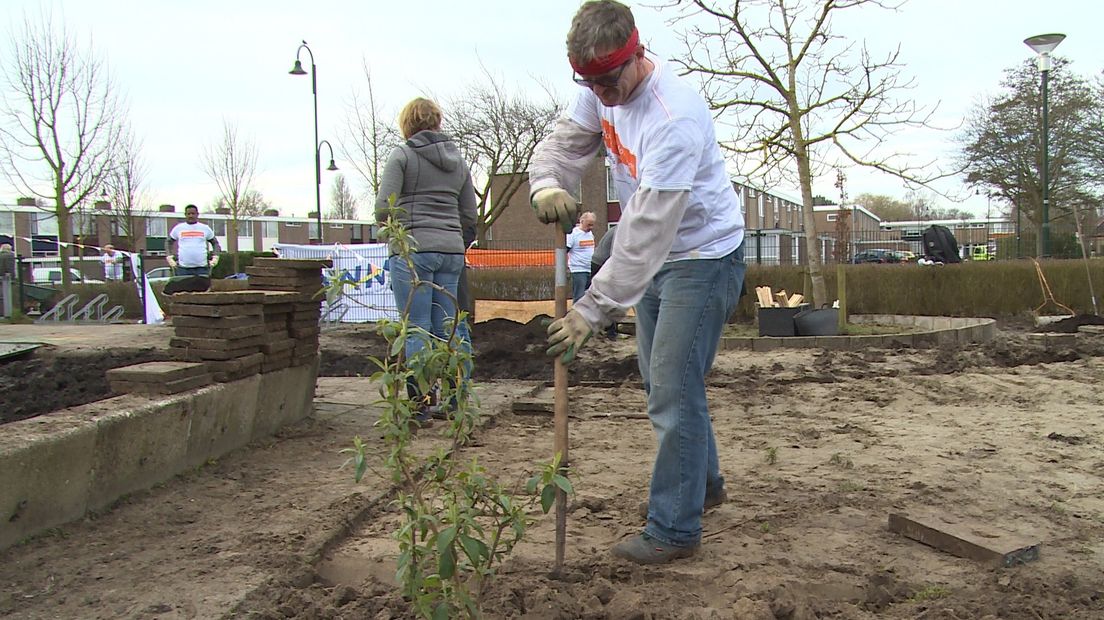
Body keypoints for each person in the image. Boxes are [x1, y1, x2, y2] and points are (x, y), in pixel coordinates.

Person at [531, 0, 746, 564]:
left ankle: (675, 528)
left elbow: (648, 231)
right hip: (656, 256)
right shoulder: (595, 89)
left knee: (673, 388)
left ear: (636, 53)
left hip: (701, 257)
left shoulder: (673, 117)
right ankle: (702, 484)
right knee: (662, 384)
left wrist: (591, 309)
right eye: (589, 80)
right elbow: (561, 147)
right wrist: (547, 183)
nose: (601, 92)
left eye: (608, 78)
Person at [376, 97, 478, 424]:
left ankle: (420, 404)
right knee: (449, 326)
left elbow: (384, 209)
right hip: (450, 251)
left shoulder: (402, 156)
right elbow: (469, 215)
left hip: (413, 252)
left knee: (417, 326)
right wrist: (454, 243)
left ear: (407, 124)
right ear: (437, 122)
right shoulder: (459, 163)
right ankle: (456, 400)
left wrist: (393, 234)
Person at [168, 205, 221, 278]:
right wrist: (169, 257)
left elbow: (215, 243)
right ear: (185, 215)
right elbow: (168, 242)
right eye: (188, 214)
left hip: (202, 268)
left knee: (202, 289)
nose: (191, 216)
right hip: (183, 269)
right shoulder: (178, 228)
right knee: (184, 289)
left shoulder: (205, 228)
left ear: (197, 214)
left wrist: (215, 257)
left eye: (193, 213)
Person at [589, 227, 619, 339]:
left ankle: (606, 328)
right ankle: (611, 331)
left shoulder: (617, 229)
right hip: (601, 264)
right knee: (610, 298)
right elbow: (617, 255)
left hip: (598, 262)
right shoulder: (622, 230)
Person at [567, 212, 597, 303]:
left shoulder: (590, 234)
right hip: (578, 269)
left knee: (589, 296)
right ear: (582, 221)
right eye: (588, 225)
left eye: (592, 225)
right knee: (579, 296)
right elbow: (566, 250)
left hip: (590, 268)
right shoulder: (573, 234)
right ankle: (576, 315)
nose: (591, 227)